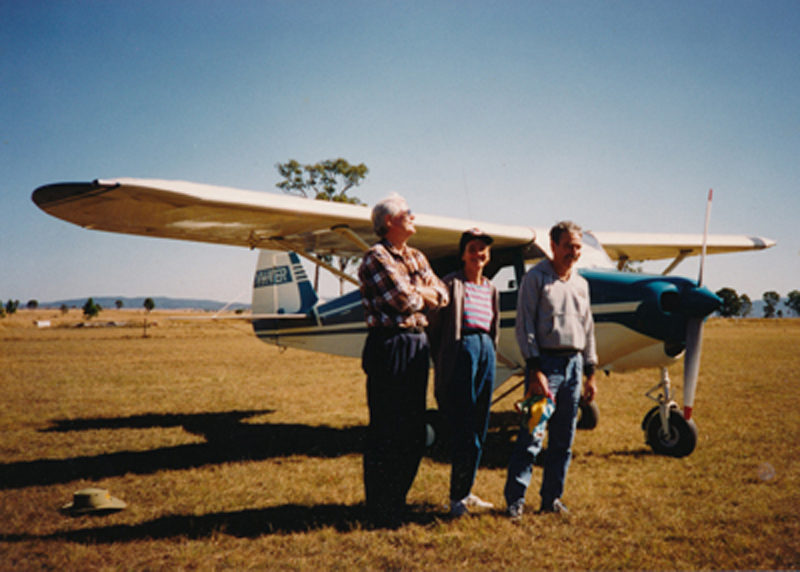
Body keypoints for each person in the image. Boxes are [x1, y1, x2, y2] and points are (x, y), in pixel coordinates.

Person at [358, 193, 450, 527]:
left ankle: (397, 499)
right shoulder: (375, 257)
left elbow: (443, 294)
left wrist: (423, 292)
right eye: (406, 212)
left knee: (412, 427)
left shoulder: (416, 255)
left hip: (416, 343)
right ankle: (379, 506)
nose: (413, 216)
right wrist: (422, 291)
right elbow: (403, 299)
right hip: (389, 344)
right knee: (386, 426)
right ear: (388, 222)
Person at [504, 220, 598, 518]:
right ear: (553, 245)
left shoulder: (581, 284)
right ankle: (515, 501)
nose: (574, 252)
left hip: (574, 366)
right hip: (545, 366)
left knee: (564, 439)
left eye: (578, 247)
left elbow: (588, 328)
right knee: (532, 436)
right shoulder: (535, 279)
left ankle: (551, 499)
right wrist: (534, 368)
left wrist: (591, 371)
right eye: (568, 245)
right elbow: (525, 326)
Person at [429, 228, 500, 517]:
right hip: (463, 350)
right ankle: (455, 497)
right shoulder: (451, 283)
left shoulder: (491, 288)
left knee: (480, 423)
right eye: (473, 248)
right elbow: (435, 325)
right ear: (463, 254)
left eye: (483, 249)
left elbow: (493, 328)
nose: (479, 253)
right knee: (463, 423)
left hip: (486, 351)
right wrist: (446, 356)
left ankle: (466, 490)